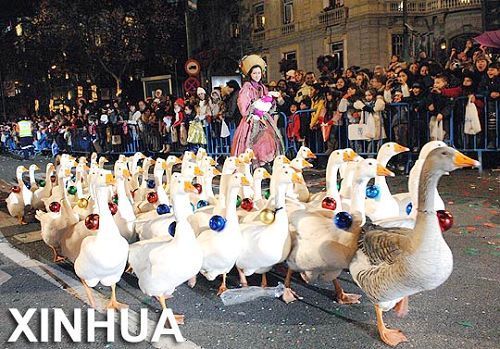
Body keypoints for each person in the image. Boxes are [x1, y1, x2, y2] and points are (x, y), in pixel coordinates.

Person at [231, 54, 284, 167]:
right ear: (250, 74)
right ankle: (255, 166)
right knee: (252, 142)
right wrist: (255, 108)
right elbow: (243, 105)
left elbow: (270, 105)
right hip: (251, 120)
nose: (257, 75)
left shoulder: (263, 88)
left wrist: (272, 100)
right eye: (254, 73)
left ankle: (265, 164)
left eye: (259, 73)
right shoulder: (247, 87)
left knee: (268, 140)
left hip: (264, 119)